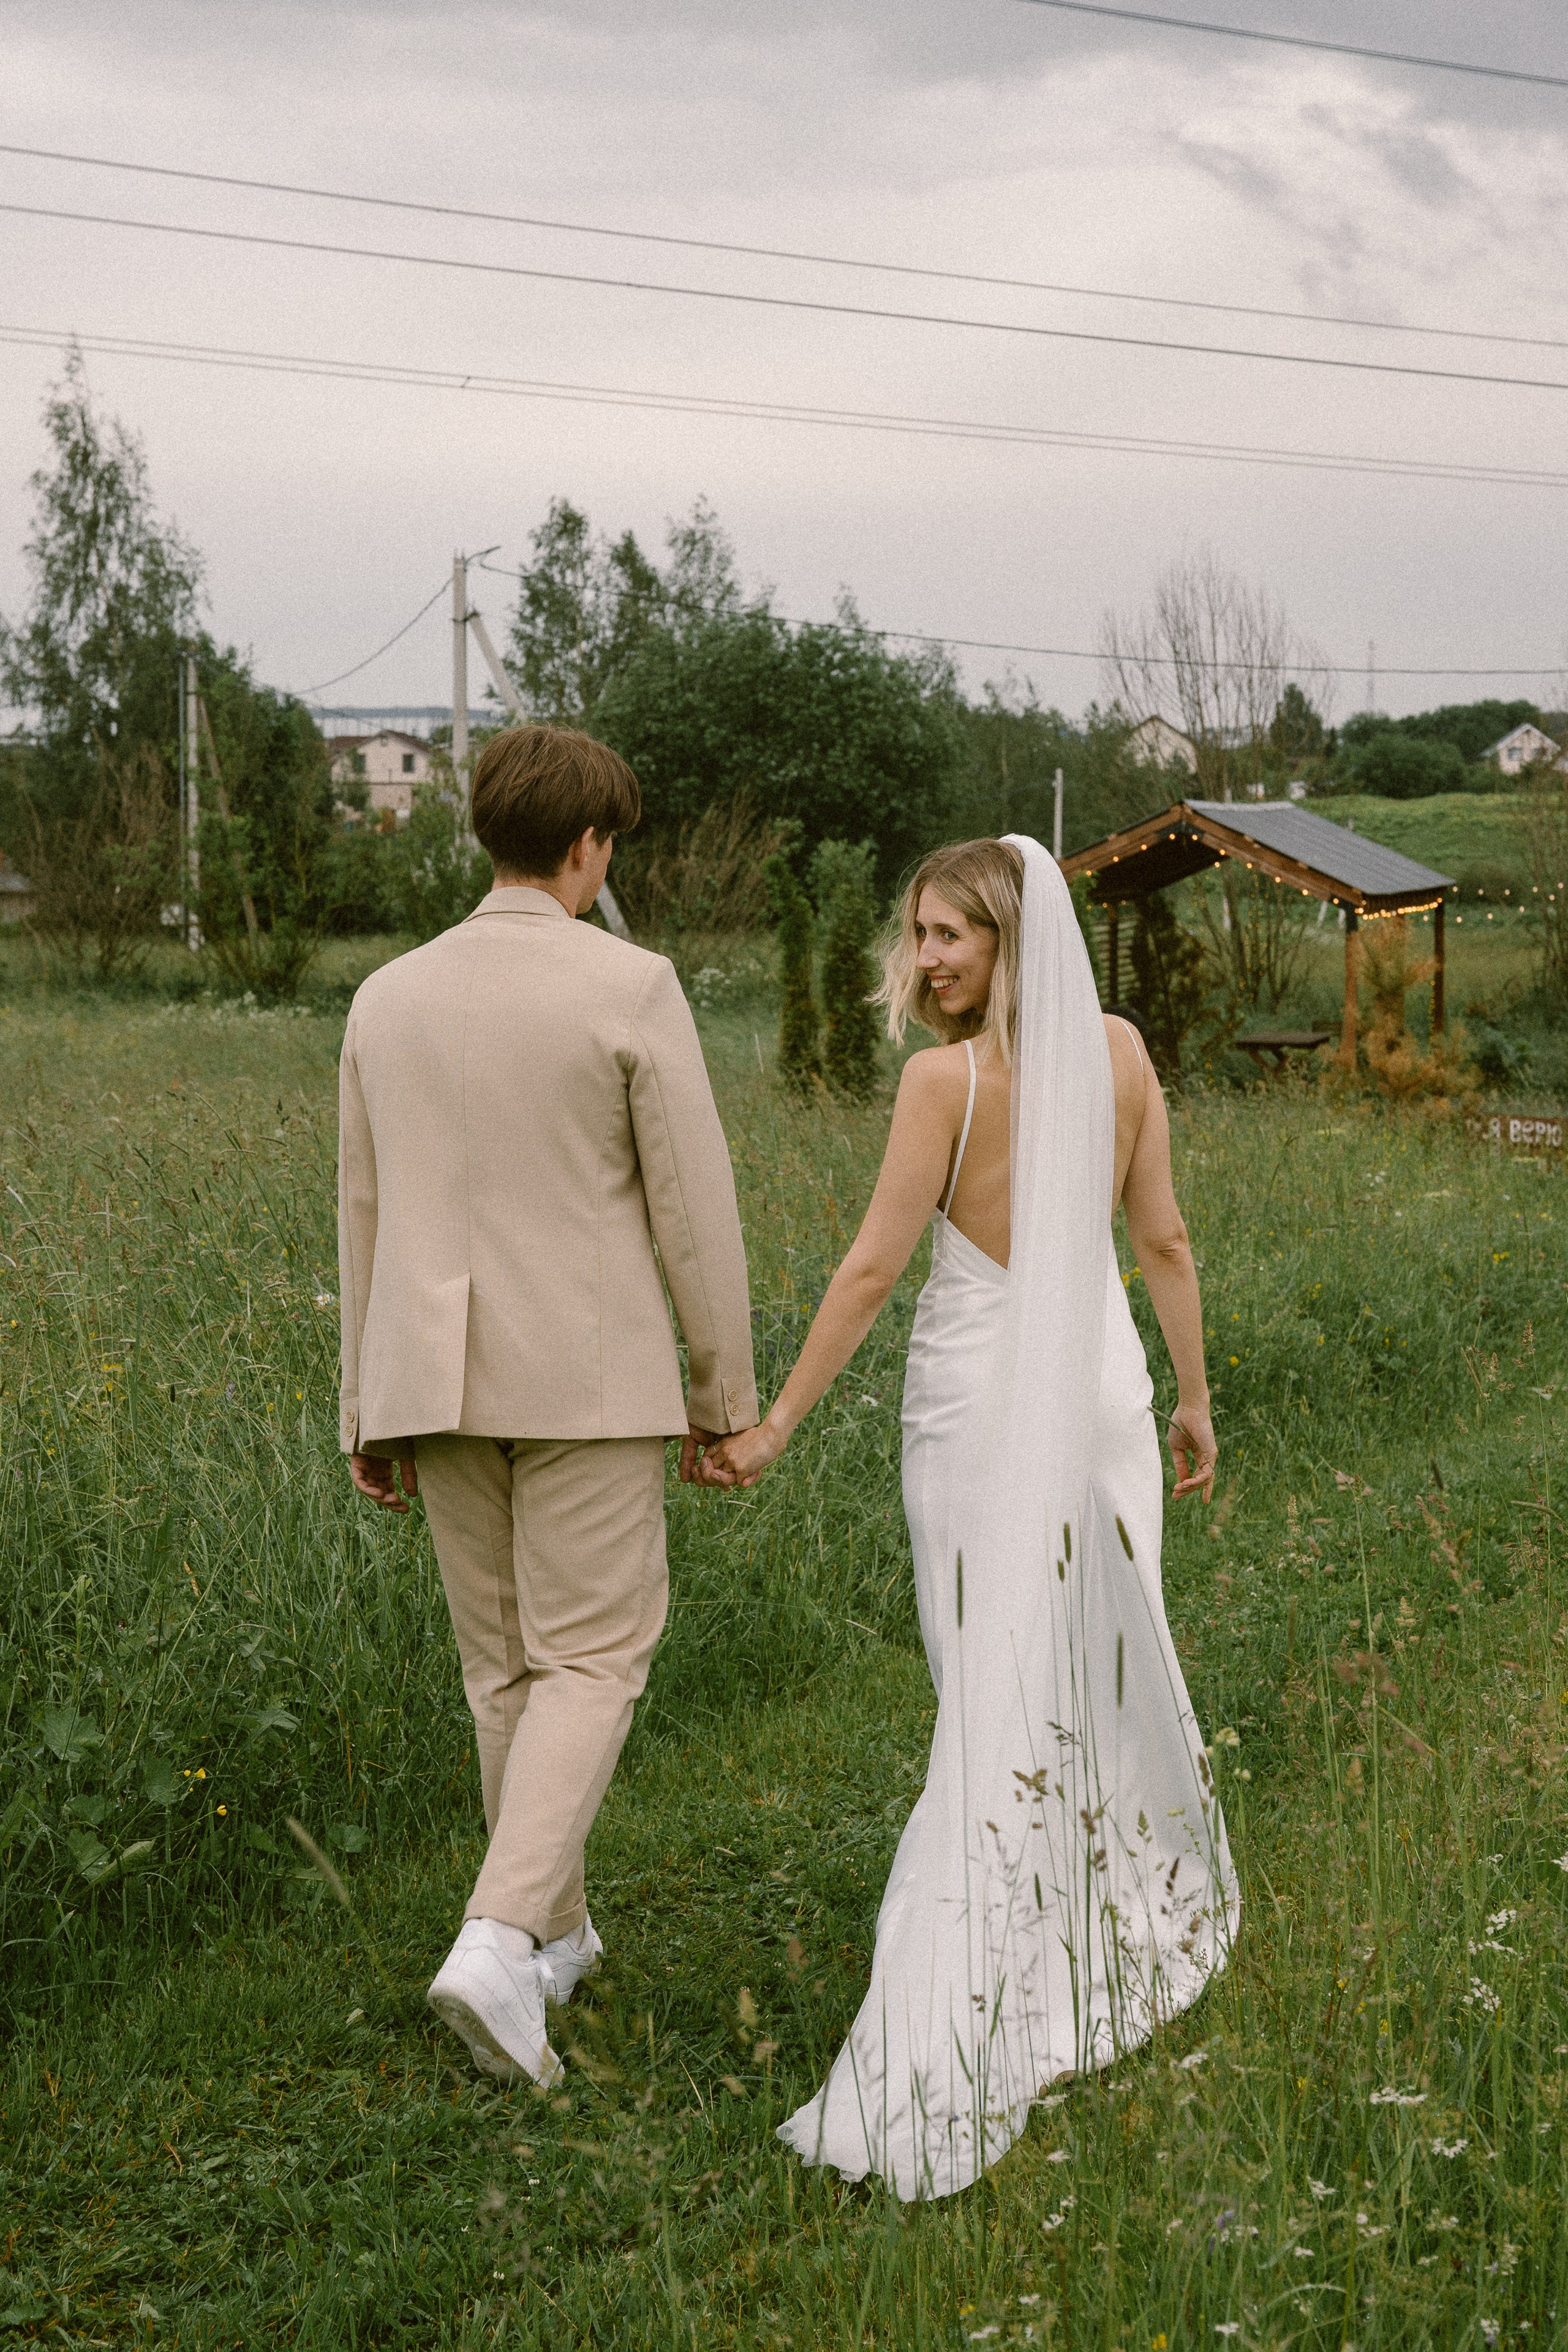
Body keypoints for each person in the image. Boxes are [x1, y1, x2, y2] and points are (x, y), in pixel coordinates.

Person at [701, 835, 1236, 2199]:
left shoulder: (945, 1083)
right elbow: (1154, 1241)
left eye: (951, 935)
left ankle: (984, 1982)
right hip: (1096, 1394)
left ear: (1014, 939)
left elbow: (881, 1261)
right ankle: (1094, 1924)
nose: (925, 958)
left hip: (999, 1405)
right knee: (1073, 1666)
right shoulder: (1118, 1055)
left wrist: (770, 1427)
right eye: (918, 934)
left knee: (999, 1684)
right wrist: (1185, 1395)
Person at [339, 724, 757, 2088]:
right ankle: (501, 1932)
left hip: (432, 1376)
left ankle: (557, 1936)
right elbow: (692, 1212)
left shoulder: (384, 997)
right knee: (592, 1658)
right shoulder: (628, 986)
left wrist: (368, 1404)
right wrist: (721, 1393)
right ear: (589, 846)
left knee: (505, 1668)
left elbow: (364, 1214)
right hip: (586, 1375)